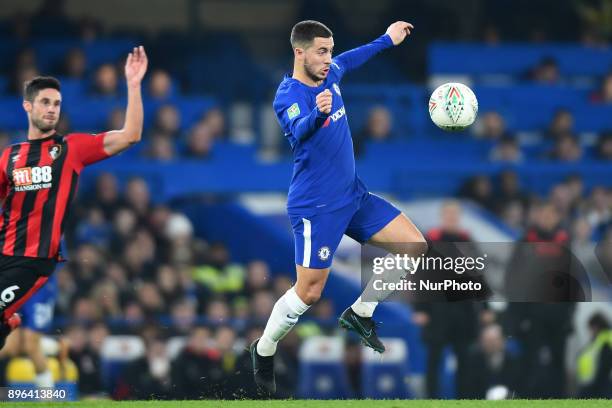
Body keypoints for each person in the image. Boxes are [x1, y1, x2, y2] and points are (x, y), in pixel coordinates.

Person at [251, 20, 427, 396]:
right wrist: (318, 113)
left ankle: (360, 313)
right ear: (299, 52)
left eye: (330, 50)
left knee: (414, 246)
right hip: (316, 207)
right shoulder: (287, 95)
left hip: (353, 196)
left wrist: (386, 40)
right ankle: (264, 350)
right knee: (309, 293)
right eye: (321, 51)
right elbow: (299, 132)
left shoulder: (331, 73)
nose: (329, 59)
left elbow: (352, 58)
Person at [0, 46, 148, 350]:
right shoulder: (9, 157)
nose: (52, 108)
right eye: (45, 102)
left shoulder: (70, 150)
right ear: (28, 106)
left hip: (32, 261)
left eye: (56, 103)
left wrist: (133, 86)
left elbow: (130, 134)